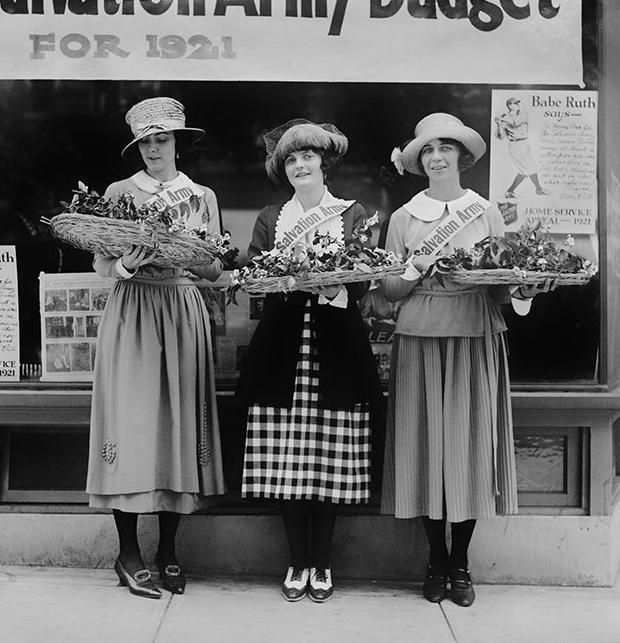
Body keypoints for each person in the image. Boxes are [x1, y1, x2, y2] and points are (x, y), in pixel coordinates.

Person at [381, 113, 554, 606]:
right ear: (420, 160)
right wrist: (415, 269)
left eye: (446, 149)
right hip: (420, 341)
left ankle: (461, 564)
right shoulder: (403, 218)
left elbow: (498, 291)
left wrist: (524, 286)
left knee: (469, 448)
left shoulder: (485, 213)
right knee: (427, 449)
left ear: (461, 157)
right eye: (429, 150)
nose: (437, 157)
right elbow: (388, 291)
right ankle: (435, 559)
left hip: (474, 338)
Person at [236, 119, 382, 604]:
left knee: (328, 460)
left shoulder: (352, 213)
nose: (301, 165)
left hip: (336, 350)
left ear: (324, 163)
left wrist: (337, 288)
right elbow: (254, 275)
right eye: (292, 160)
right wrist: (281, 279)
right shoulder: (270, 216)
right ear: (284, 169)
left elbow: (365, 278)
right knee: (287, 462)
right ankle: (296, 561)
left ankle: (322, 563)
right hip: (282, 351)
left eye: (309, 157)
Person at [85, 97, 225, 599]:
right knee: (132, 421)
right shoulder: (121, 192)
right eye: (145, 142)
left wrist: (198, 254)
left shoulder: (202, 196)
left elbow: (215, 267)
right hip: (134, 311)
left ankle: (168, 550)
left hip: (182, 309)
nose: (153, 149)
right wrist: (125, 263)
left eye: (161, 139)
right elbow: (101, 263)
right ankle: (127, 552)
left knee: (176, 422)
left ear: (178, 142)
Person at [494, 97, 550, 198]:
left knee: (524, 171)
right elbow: (500, 136)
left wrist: (502, 119)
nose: (518, 105)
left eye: (518, 103)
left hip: (525, 142)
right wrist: (498, 124)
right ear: (510, 105)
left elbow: (516, 122)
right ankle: (539, 189)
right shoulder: (504, 119)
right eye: (515, 103)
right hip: (515, 144)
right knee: (530, 167)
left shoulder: (522, 113)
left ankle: (509, 191)